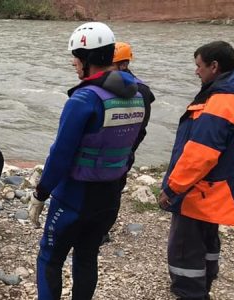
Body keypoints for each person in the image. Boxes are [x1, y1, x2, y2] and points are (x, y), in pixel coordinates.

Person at [28, 22, 146, 299]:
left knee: (50, 258)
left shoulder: (83, 99)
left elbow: (60, 154)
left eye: (75, 57)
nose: (73, 64)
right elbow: (130, 147)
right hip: (109, 197)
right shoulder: (137, 96)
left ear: (87, 59)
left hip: (74, 197)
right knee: (86, 255)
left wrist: (41, 192)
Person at [158, 41, 234, 300]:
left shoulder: (220, 101)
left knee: (184, 253)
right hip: (218, 192)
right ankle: (205, 284)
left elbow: (201, 153)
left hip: (198, 194)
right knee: (208, 244)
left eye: (199, 66)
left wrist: (172, 188)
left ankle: (191, 292)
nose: (196, 72)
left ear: (214, 67)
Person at [100, 41, 156, 245]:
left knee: (113, 190)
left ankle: (103, 231)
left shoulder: (140, 91)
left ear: (123, 65)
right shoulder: (109, 83)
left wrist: (127, 151)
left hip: (122, 150)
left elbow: (141, 128)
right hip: (111, 148)